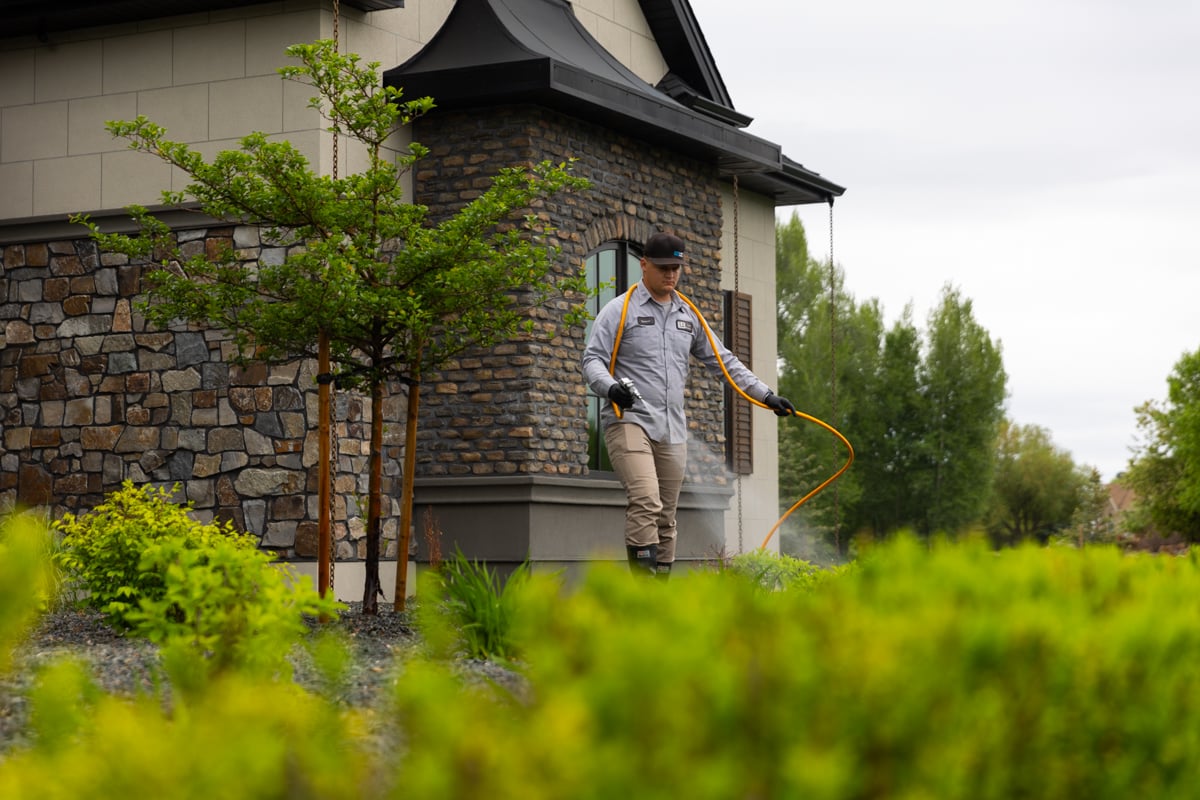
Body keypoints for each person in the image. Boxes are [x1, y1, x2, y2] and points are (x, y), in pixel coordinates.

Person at [581, 231, 796, 578]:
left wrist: (766, 396)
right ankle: (643, 590)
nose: (670, 275)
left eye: (676, 268)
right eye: (664, 267)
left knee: (666, 514)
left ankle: (661, 588)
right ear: (644, 265)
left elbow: (724, 361)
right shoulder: (619, 311)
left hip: (672, 429)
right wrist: (610, 388)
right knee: (647, 499)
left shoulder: (688, 315)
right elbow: (592, 360)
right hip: (629, 421)